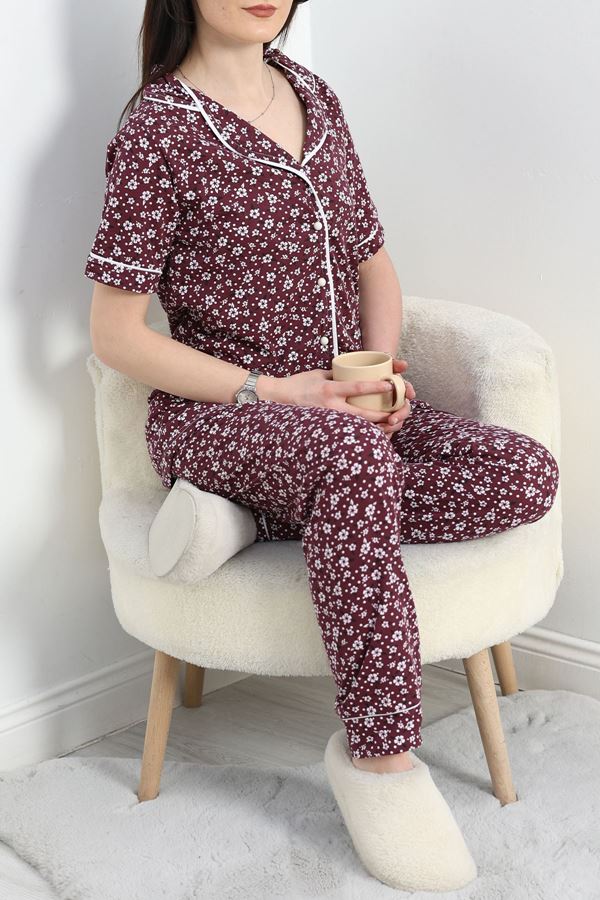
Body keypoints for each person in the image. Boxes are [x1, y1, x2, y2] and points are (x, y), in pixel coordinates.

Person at [85, 0, 560, 890]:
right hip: (224, 416)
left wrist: (382, 379)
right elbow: (115, 334)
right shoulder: (159, 127)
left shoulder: (314, 95)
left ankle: (256, 517)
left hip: (344, 419)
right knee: (349, 461)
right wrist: (277, 392)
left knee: (523, 472)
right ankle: (381, 760)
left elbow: (374, 263)